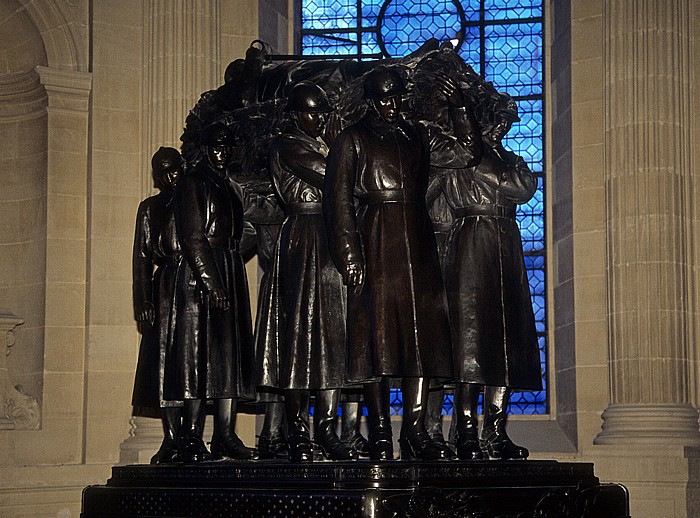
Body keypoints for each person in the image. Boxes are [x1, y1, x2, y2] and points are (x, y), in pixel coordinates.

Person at [323, 66, 478, 461]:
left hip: (418, 238)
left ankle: (413, 429)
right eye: (384, 99)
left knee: (420, 338)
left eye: (396, 98)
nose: (391, 106)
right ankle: (377, 431)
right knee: (376, 339)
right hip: (376, 237)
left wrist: (460, 108)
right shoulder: (353, 138)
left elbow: (466, 152)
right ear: (372, 100)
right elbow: (338, 203)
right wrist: (349, 256)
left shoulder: (417, 135)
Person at [438, 92, 541, 460]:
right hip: (470, 241)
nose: (500, 128)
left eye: (506, 123)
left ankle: (495, 431)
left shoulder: (508, 159)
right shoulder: (458, 157)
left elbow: (524, 188)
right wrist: (482, 165)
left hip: (506, 246)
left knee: (505, 343)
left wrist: (487, 168)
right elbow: (439, 201)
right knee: (471, 341)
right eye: (495, 120)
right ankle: (464, 429)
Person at [258, 81, 354, 462]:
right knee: (299, 336)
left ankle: (326, 428)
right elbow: (333, 176)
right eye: (313, 112)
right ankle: (298, 430)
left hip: (330, 234)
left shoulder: (323, 144)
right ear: (297, 115)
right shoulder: (288, 144)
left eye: (322, 112)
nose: (319, 119)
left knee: (333, 334)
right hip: (303, 234)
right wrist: (339, 146)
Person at [165, 122, 257, 462]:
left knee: (228, 357)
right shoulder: (192, 182)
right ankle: (190, 438)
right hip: (201, 279)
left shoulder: (229, 186)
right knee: (197, 357)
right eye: (218, 146)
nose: (224, 152)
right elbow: (192, 236)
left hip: (227, 268)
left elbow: (244, 229)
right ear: (206, 149)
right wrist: (211, 280)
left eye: (228, 146)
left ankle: (225, 434)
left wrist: (233, 256)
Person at [131, 147, 185, 464]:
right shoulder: (150, 207)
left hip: (192, 282)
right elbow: (141, 258)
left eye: (172, 169)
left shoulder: (193, 198)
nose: (168, 177)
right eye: (161, 172)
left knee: (192, 362)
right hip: (163, 284)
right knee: (164, 361)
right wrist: (144, 300)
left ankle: (191, 435)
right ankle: (172, 436)